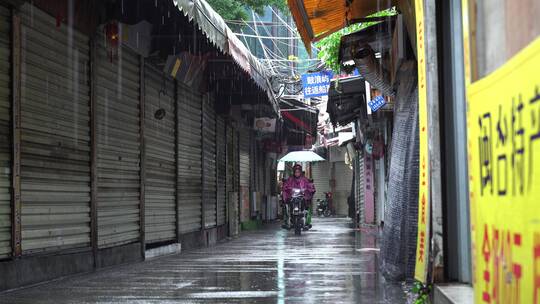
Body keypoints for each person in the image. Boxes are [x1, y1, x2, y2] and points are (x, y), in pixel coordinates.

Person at [282, 164, 315, 228]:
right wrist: (288, 189)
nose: (297, 173)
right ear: (294, 172)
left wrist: (309, 188)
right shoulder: (290, 179)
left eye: (298, 172)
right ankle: (288, 220)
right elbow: (285, 186)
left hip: (302, 197)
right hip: (292, 197)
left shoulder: (304, 179)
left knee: (306, 207)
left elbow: (309, 186)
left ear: (300, 172)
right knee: (287, 207)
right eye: (296, 172)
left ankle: (306, 221)